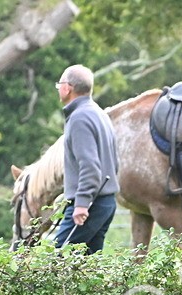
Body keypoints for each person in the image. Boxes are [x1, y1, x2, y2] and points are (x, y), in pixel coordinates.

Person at [53, 64, 120, 254]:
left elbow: (89, 166)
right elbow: (115, 163)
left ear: (68, 87)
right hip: (106, 202)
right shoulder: (99, 113)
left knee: (57, 260)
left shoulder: (79, 118)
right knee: (87, 269)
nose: (59, 89)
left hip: (89, 206)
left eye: (60, 85)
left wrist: (81, 204)